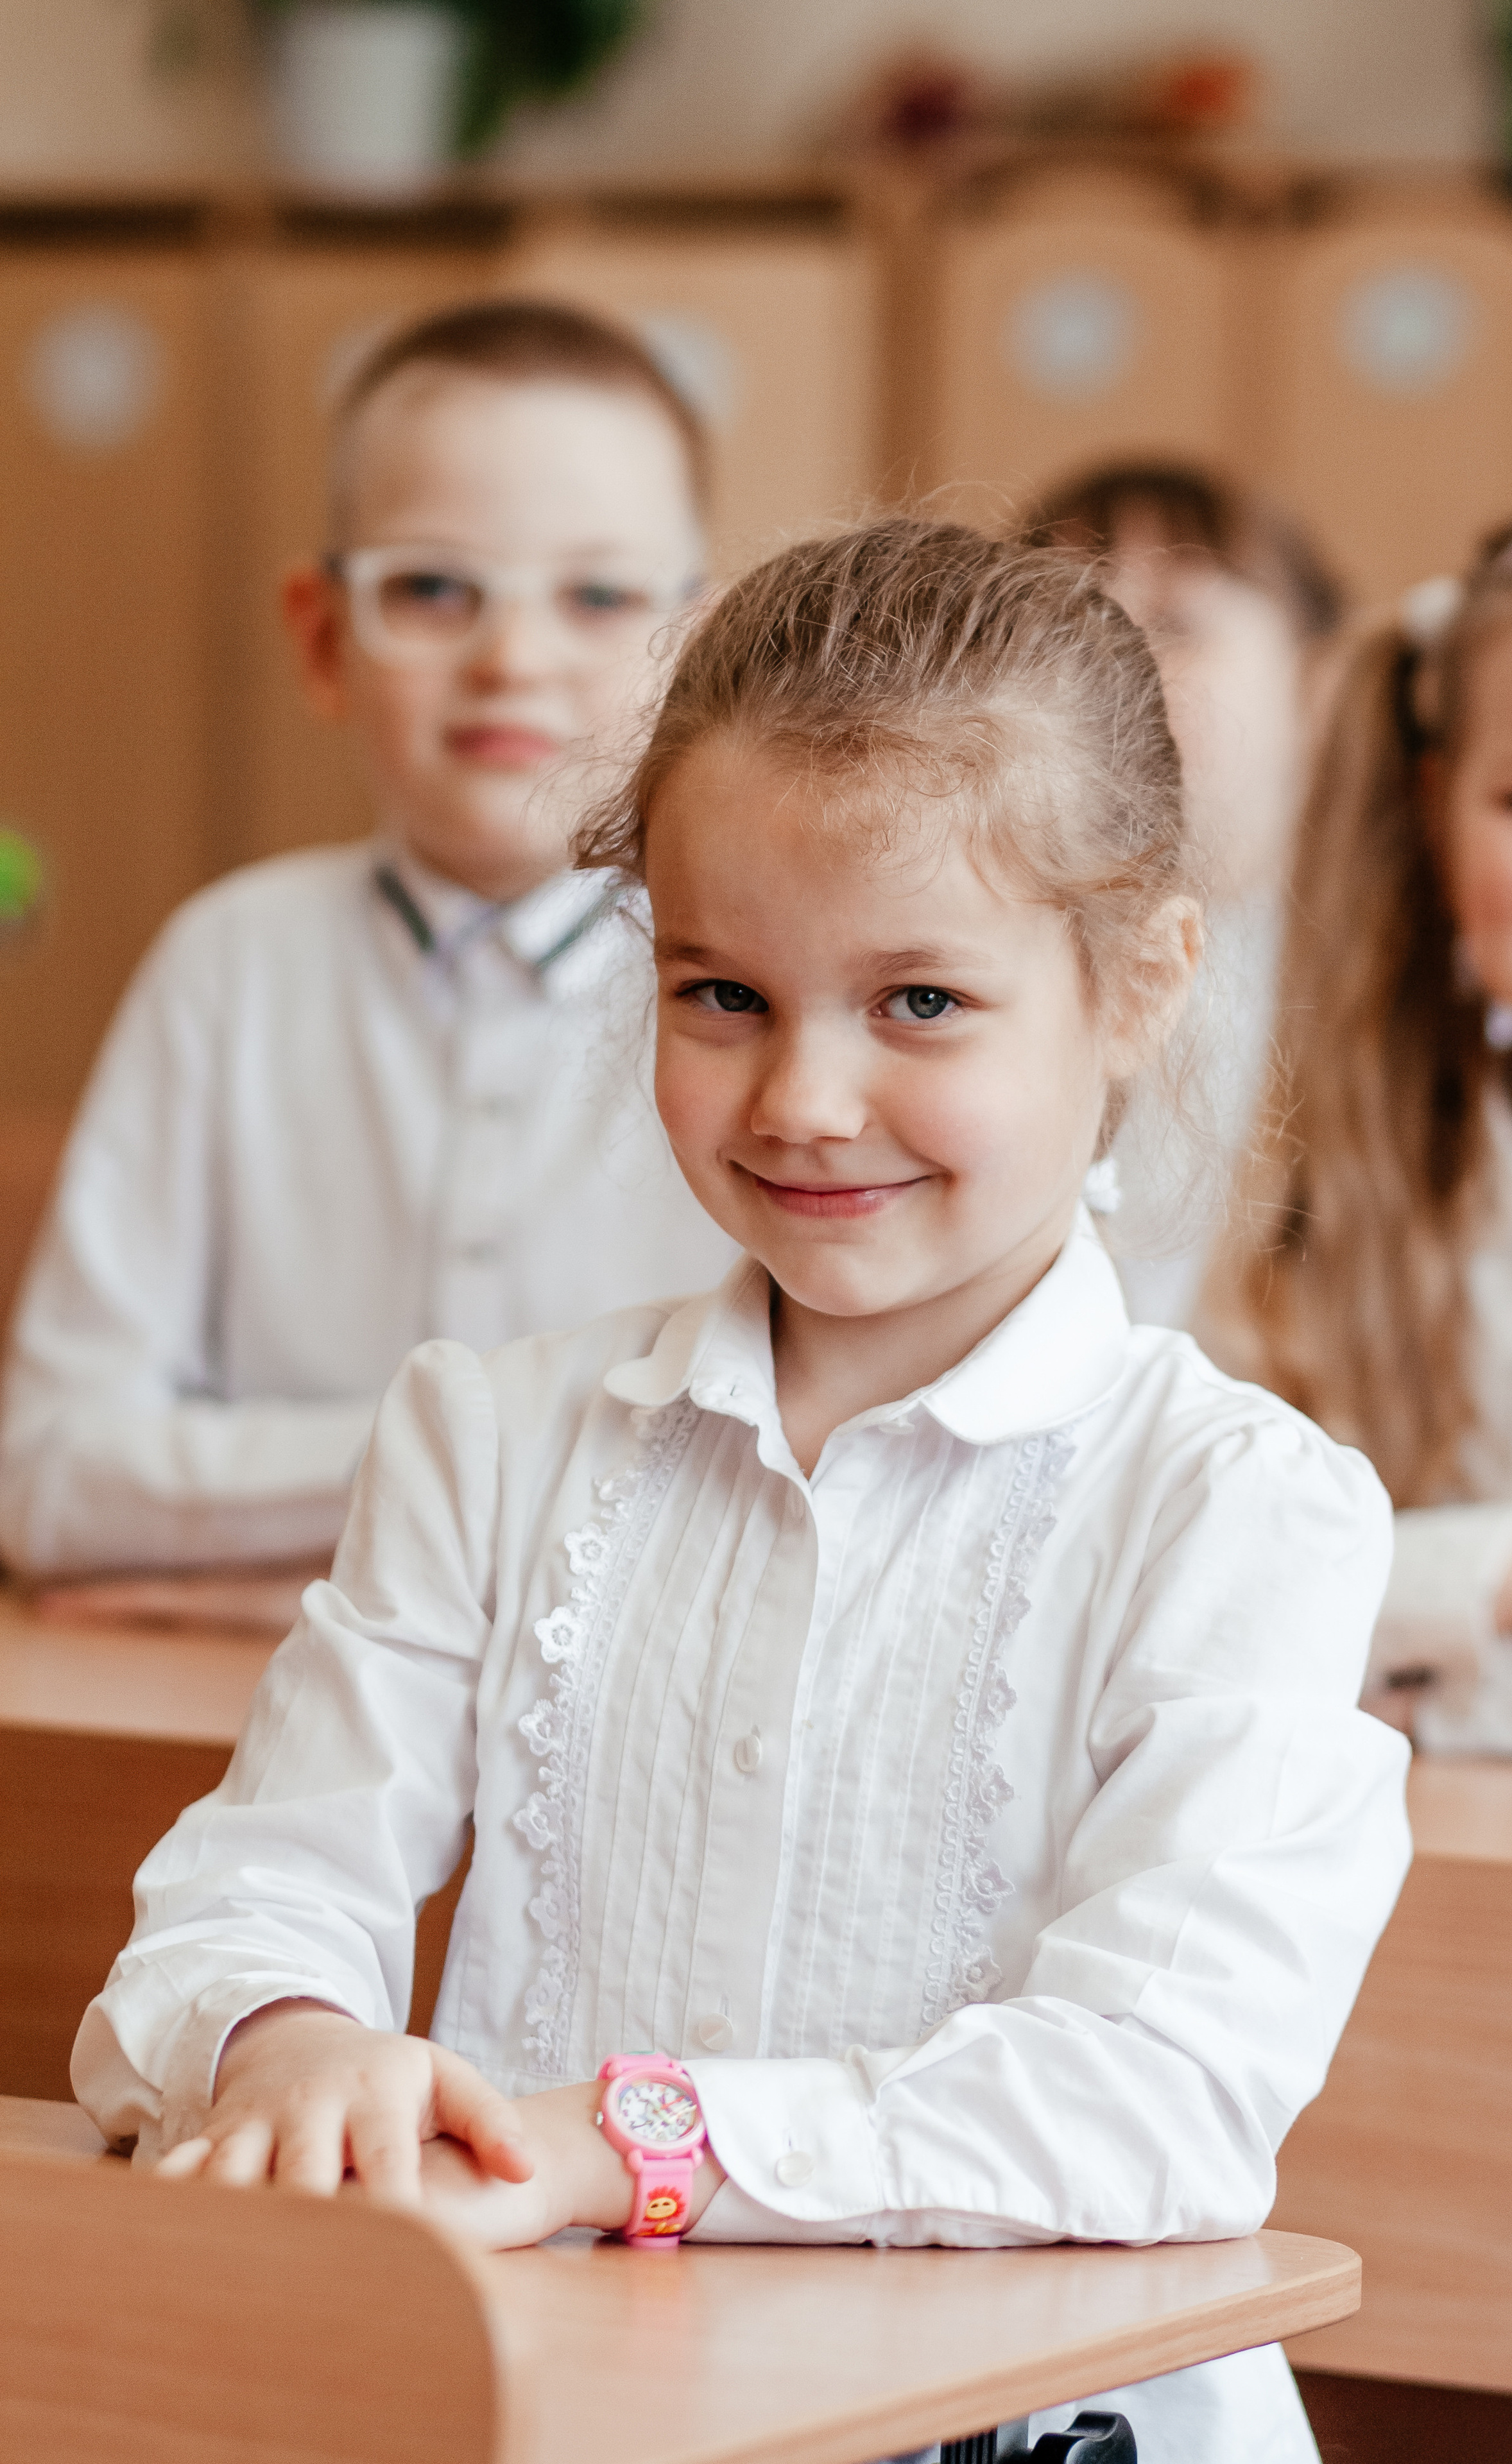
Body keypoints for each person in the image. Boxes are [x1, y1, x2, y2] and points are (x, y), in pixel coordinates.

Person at [74, 520, 1409, 2464]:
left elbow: (1159, 2095)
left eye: (920, 1006)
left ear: (1137, 985)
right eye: (723, 996)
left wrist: (617, 2143)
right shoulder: (493, 1432)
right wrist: (294, 2041)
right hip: (556, 2414)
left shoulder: (1242, 1514)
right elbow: (247, 1895)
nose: (801, 1098)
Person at [0, 296, 735, 1614]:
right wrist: (501, 1468)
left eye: (598, 595)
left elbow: (766, 1499)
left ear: (698, 648)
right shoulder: (228, 967)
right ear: (322, 637)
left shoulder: (756, 1002)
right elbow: (48, 1478)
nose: (512, 659)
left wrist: (240, 1550)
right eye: (435, 588)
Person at [1199, 478, 1512, 1761]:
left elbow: (1300, 1667)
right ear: (1436, 814)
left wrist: (1395, 1646)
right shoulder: (1317, 1217)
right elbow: (1199, 1607)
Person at [1025, 463, 1344, 1326]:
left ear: (1319, 688)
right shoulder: (995, 963)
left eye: (1178, 624)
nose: (1115, 652)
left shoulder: (1369, 987)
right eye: (1070, 617)